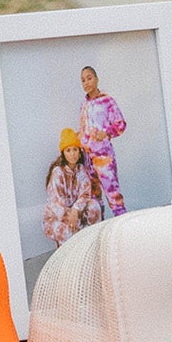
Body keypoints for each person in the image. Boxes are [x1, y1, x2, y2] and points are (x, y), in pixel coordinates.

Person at [77, 68, 128, 218]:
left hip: (103, 156)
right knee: (93, 198)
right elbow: (83, 129)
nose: (86, 82)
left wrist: (106, 132)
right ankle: (100, 230)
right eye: (83, 80)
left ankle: (123, 226)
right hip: (87, 158)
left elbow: (121, 124)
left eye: (89, 78)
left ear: (97, 79)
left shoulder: (107, 101)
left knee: (113, 194)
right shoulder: (83, 106)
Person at [41, 131, 100, 247]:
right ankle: (65, 258)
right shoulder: (58, 172)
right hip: (57, 217)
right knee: (70, 232)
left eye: (75, 149)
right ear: (63, 153)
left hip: (75, 213)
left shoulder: (81, 170)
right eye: (68, 150)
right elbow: (56, 203)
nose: (72, 154)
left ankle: (93, 244)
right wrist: (71, 215)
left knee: (94, 205)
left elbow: (85, 194)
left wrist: (76, 210)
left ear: (79, 151)